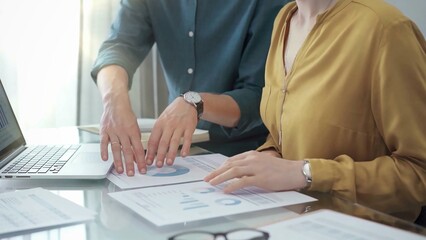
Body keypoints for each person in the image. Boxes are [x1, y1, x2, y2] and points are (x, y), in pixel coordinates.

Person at [205, 0, 426, 222]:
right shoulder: (285, 18)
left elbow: (419, 172)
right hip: (296, 221)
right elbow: (285, 130)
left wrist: (306, 173)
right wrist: (269, 154)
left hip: (364, 228)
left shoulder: (386, 29)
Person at [91, 0, 287, 176]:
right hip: (171, 154)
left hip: (245, 156)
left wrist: (195, 104)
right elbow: (118, 46)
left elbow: (258, 98)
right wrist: (113, 102)